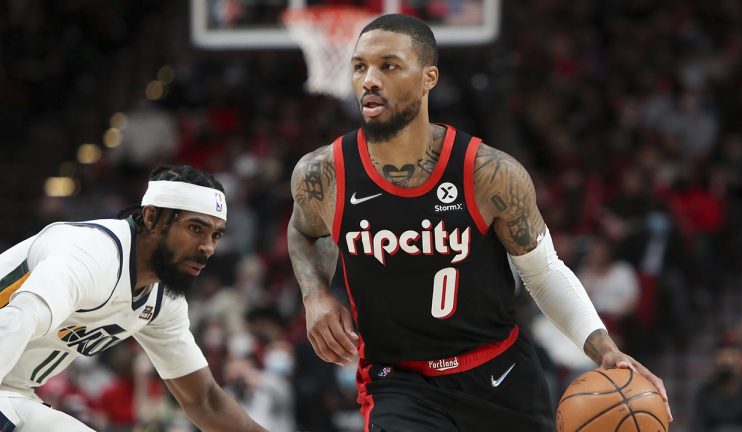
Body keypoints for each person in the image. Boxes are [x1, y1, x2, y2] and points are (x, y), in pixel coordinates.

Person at [287, 14, 672, 431]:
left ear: (428, 77)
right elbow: (305, 232)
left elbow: (543, 273)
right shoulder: (322, 173)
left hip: (499, 375)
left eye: (389, 65)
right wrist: (315, 295)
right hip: (399, 383)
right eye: (360, 66)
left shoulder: (488, 173)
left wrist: (604, 349)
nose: (369, 79)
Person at [0, 165, 266, 431]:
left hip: (13, 393)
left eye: (216, 235)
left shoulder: (164, 299)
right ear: (151, 216)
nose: (207, 247)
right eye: (195, 228)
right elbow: (15, 321)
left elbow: (203, 400)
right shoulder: (93, 254)